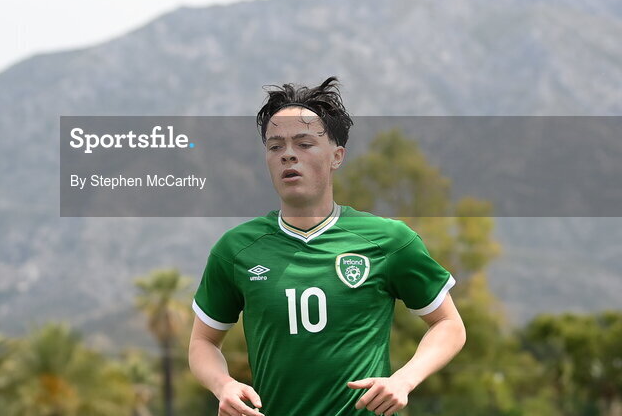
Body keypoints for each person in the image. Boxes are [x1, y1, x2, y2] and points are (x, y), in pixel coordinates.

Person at [188, 77, 466, 416]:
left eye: (304, 144)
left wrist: (404, 380)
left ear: (336, 156)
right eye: (275, 146)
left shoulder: (389, 241)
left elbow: (448, 324)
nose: (288, 155)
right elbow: (202, 342)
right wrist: (224, 385)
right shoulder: (235, 249)